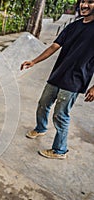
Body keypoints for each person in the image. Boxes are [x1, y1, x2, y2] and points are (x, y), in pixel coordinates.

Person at [20, 0, 94, 159]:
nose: (85, 5)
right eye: (83, 1)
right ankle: (41, 128)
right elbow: (54, 46)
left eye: (91, 2)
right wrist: (34, 61)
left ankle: (60, 150)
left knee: (60, 115)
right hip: (58, 75)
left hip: (75, 80)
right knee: (43, 103)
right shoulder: (74, 25)